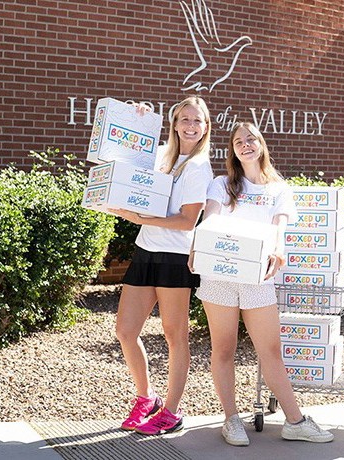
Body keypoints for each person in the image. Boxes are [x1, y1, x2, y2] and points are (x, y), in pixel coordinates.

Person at [192, 122, 334, 447]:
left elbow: (279, 227)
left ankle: (295, 421)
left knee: (270, 350)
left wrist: (279, 248)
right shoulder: (221, 184)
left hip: (258, 277)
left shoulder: (277, 188)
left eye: (251, 139)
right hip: (220, 276)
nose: (245, 145)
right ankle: (231, 420)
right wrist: (198, 246)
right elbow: (210, 219)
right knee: (224, 348)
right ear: (233, 149)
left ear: (261, 144)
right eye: (239, 141)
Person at [109, 96, 214, 435]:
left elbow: (187, 222)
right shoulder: (161, 155)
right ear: (175, 122)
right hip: (145, 252)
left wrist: (142, 217)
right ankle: (146, 398)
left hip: (174, 260)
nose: (190, 125)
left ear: (206, 127)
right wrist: (137, 118)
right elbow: (124, 155)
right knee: (125, 331)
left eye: (197, 120)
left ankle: (171, 410)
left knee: (175, 337)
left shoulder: (199, 167)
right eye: (184, 119)